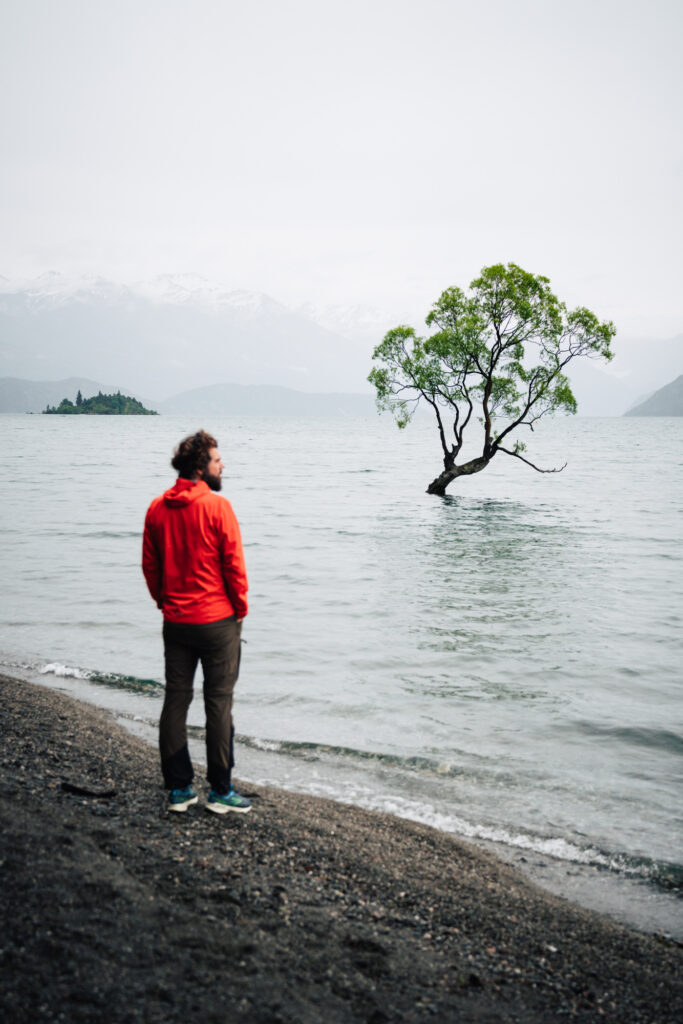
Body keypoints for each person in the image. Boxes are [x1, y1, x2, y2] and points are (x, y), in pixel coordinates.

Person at [142, 430, 251, 814]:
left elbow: (150, 567)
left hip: (177, 621)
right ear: (200, 468)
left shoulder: (156, 508)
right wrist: (240, 608)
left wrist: (165, 603)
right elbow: (234, 566)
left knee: (176, 698)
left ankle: (178, 790)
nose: (224, 465)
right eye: (218, 460)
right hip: (218, 621)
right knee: (218, 702)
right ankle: (220, 791)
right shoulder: (218, 508)